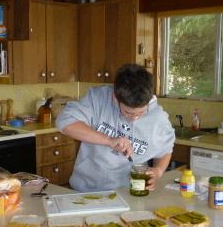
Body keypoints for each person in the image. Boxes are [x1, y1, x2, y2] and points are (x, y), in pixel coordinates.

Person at [56, 63, 175, 192]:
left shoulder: (157, 117)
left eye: (141, 113)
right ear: (115, 98)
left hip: (129, 193)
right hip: (86, 190)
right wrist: (109, 140)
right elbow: (65, 121)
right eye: (128, 113)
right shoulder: (98, 99)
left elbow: (166, 148)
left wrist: (158, 171)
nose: (134, 118)